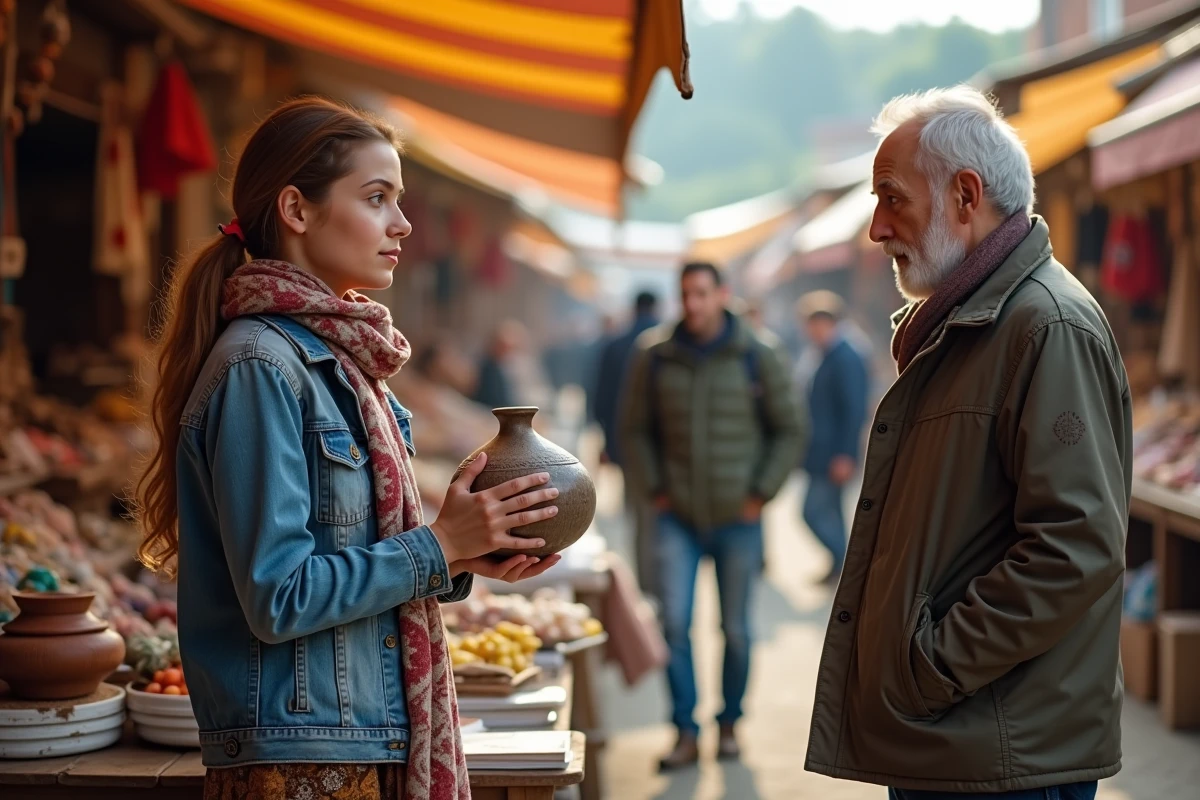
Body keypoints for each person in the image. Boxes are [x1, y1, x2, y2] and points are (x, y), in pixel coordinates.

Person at [136, 97, 563, 800]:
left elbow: (346, 561)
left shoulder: (340, 361)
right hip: (297, 760)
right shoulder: (260, 366)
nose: (402, 224)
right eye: (376, 198)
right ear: (297, 210)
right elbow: (280, 595)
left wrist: (457, 551)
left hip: (351, 735)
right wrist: (434, 546)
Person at [804, 86, 1130, 800]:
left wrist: (929, 667)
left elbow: (1074, 548)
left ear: (965, 195)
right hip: (960, 738)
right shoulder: (973, 323)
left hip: (1002, 750)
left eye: (892, 199)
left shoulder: (1044, 326)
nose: (876, 228)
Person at [621, 262, 804, 769]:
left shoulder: (757, 354)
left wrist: (761, 492)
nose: (693, 305)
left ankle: (729, 725)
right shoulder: (654, 356)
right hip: (675, 515)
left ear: (723, 294)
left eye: (703, 294)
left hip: (739, 518)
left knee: (738, 629)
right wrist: (654, 488)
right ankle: (684, 730)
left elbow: (789, 428)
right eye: (686, 295)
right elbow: (633, 429)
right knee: (674, 625)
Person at [794, 291, 869, 585]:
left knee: (811, 511)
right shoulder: (825, 354)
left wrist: (846, 454)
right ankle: (840, 567)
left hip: (833, 453)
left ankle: (850, 566)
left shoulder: (846, 356)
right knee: (833, 513)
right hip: (822, 451)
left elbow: (853, 410)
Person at [593, 291, 660, 597]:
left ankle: (647, 583)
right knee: (663, 518)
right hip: (668, 451)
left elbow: (600, 399)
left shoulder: (616, 345)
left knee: (639, 514)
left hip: (626, 446)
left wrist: (607, 441)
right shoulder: (668, 345)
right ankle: (664, 582)